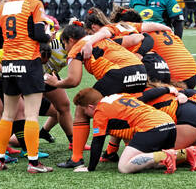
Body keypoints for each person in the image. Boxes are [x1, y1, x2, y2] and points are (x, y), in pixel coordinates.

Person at [45, 22, 148, 168]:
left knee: (83, 107)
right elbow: (135, 39)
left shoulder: (76, 48)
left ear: (71, 39)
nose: (65, 49)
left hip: (119, 74)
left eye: (64, 44)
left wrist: (56, 83)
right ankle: (125, 151)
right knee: (123, 110)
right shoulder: (101, 39)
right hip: (141, 72)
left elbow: (74, 81)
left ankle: (76, 158)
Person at [0, 0, 53, 173]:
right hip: (28, 62)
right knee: (31, 115)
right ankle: (34, 163)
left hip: (9, 64)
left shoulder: (3, 7)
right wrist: (48, 35)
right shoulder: (35, 4)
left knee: (7, 114)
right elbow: (38, 34)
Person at [72, 88, 179, 174]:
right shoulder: (119, 95)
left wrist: (90, 168)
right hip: (169, 123)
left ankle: (165, 155)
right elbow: (145, 96)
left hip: (153, 127)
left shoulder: (100, 111)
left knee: (124, 167)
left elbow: (98, 142)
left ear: (90, 107)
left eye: (84, 110)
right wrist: (166, 89)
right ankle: (186, 152)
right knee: (154, 163)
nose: (85, 114)